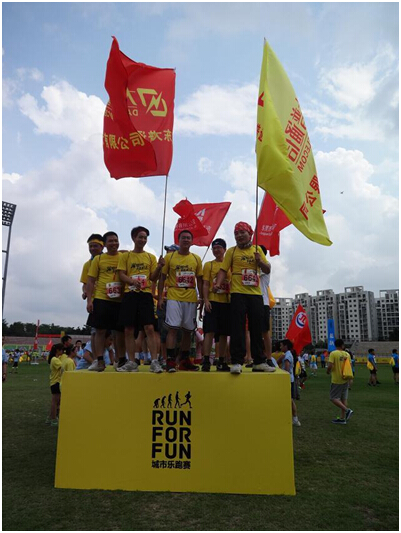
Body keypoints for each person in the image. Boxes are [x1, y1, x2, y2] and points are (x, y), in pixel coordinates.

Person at [215, 222, 275, 375]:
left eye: (242, 232)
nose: (239, 235)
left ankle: (259, 361)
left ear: (250, 234)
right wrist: (218, 284)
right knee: (237, 327)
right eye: (236, 233)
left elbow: (268, 269)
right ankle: (236, 361)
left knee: (257, 327)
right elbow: (223, 270)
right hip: (237, 293)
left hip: (255, 294)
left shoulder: (257, 250)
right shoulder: (231, 251)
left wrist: (260, 262)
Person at [117, 226, 164, 373]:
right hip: (130, 294)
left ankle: (154, 361)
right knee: (129, 329)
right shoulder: (125, 256)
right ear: (133, 238)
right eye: (140, 237)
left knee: (149, 328)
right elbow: (121, 274)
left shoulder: (150, 257)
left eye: (145, 238)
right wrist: (131, 281)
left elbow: (153, 278)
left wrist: (159, 267)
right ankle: (132, 362)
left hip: (145, 295)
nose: (143, 240)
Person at [158, 230, 203, 372]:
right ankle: (170, 360)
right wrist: (160, 297)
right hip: (174, 296)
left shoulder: (196, 258)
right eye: (183, 237)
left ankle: (184, 360)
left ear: (192, 241)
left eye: (188, 238)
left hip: (190, 297)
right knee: (172, 328)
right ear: (178, 240)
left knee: (188, 331)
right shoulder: (169, 257)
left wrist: (202, 298)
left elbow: (200, 280)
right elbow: (162, 278)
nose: (186, 240)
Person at [86, 231, 125, 372]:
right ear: (105, 244)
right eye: (110, 241)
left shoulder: (124, 257)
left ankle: (120, 360)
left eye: (116, 240)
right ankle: (99, 360)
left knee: (119, 331)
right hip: (102, 298)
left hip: (120, 299)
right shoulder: (98, 259)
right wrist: (89, 301)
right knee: (100, 330)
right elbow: (90, 281)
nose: (114, 243)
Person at [201, 238, 231, 372]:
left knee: (224, 333)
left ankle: (221, 360)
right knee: (209, 331)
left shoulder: (230, 265)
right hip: (212, 302)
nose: (216, 250)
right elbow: (205, 284)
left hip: (226, 302)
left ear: (225, 250)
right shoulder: (209, 265)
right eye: (214, 248)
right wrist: (206, 300)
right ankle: (206, 359)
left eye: (219, 248)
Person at [327, 339, 353, 424]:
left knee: (333, 398)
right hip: (345, 378)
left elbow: (330, 365)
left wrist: (328, 371)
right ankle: (342, 418)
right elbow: (350, 366)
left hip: (337, 379)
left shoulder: (333, 353)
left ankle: (347, 410)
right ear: (342, 345)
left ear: (335, 345)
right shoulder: (347, 354)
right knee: (343, 399)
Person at [259, 245, 275, 366]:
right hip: (252, 302)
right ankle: (255, 357)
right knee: (253, 332)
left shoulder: (266, 265)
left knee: (265, 332)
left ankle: (269, 358)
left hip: (263, 302)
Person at [279, 339, 301, 426]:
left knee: (290, 400)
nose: (280, 347)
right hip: (290, 379)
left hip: (288, 380)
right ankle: (294, 418)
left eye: (281, 345)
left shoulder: (287, 355)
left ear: (286, 346)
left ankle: (295, 419)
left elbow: (287, 368)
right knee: (290, 400)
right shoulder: (288, 354)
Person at [46, 343, 64, 427]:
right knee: (55, 402)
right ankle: (53, 419)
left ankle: (50, 418)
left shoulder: (55, 359)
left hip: (55, 382)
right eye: (61, 350)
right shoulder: (55, 360)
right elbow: (62, 367)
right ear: (57, 350)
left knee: (56, 401)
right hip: (56, 382)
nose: (63, 351)